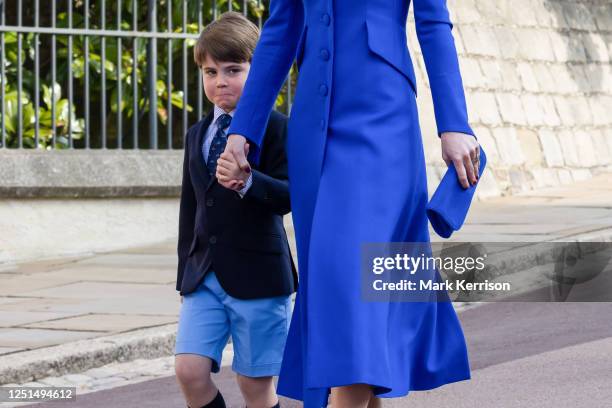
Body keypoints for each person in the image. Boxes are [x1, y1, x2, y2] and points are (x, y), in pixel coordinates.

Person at [222, 0, 481, 407]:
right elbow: (280, 30)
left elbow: (433, 24)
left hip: (381, 120)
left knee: (352, 279)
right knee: (333, 287)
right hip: (312, 126)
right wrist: (244, 128)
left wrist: (454, 123)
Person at [173, 12, 297, 408]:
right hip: (204, 274)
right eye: (210, 71)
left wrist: (248, 183)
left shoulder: (278, 129)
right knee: (189, 372)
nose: (220, 80)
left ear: (258, 70)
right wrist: (184, 273)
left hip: (259, 277)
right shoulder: (197, 134)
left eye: (233, 69)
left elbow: (291, 197)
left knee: (254, 387)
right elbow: (190, 207)